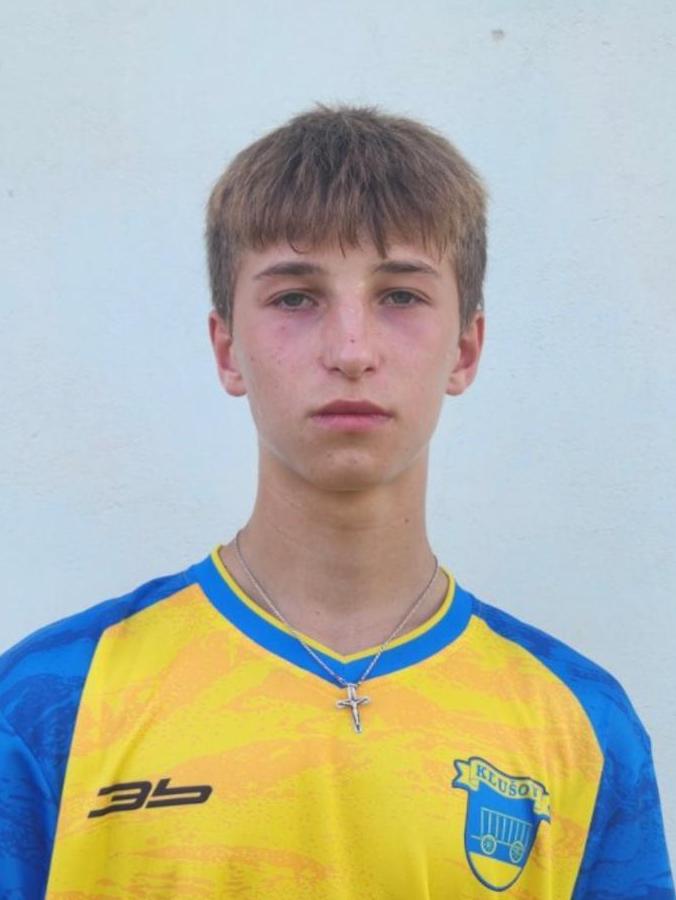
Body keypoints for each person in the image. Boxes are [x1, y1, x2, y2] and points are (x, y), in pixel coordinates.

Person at [0, 105, 673, 899]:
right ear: (227, 348)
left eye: (401, 296)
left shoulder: (579, 723)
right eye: (296, 298)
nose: (351, 350)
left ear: (465, 348)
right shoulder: (49, 702)